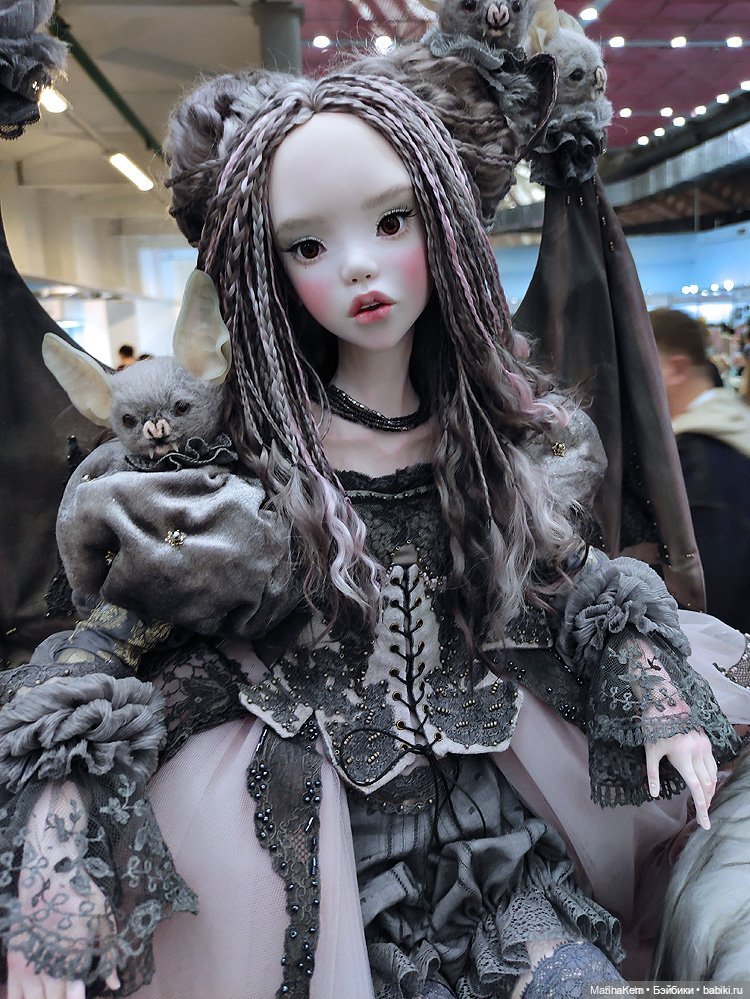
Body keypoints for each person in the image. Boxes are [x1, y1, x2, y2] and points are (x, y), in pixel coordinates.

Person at [0, 73, 743, 999]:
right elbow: (106, 647)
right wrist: (57, 833)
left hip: (494, 826)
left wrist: (650, 682)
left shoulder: (491, 446)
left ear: (447, 228)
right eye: (309, 245)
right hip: (303, 847)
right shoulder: (244, 470)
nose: (358, 267)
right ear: (269, 269)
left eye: (394, 222)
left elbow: (571, 576)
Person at [651, 308, 750, 632]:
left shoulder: (701, 455)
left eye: (643, 369)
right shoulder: (730, 423)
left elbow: (709, 598)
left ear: (677, 369)